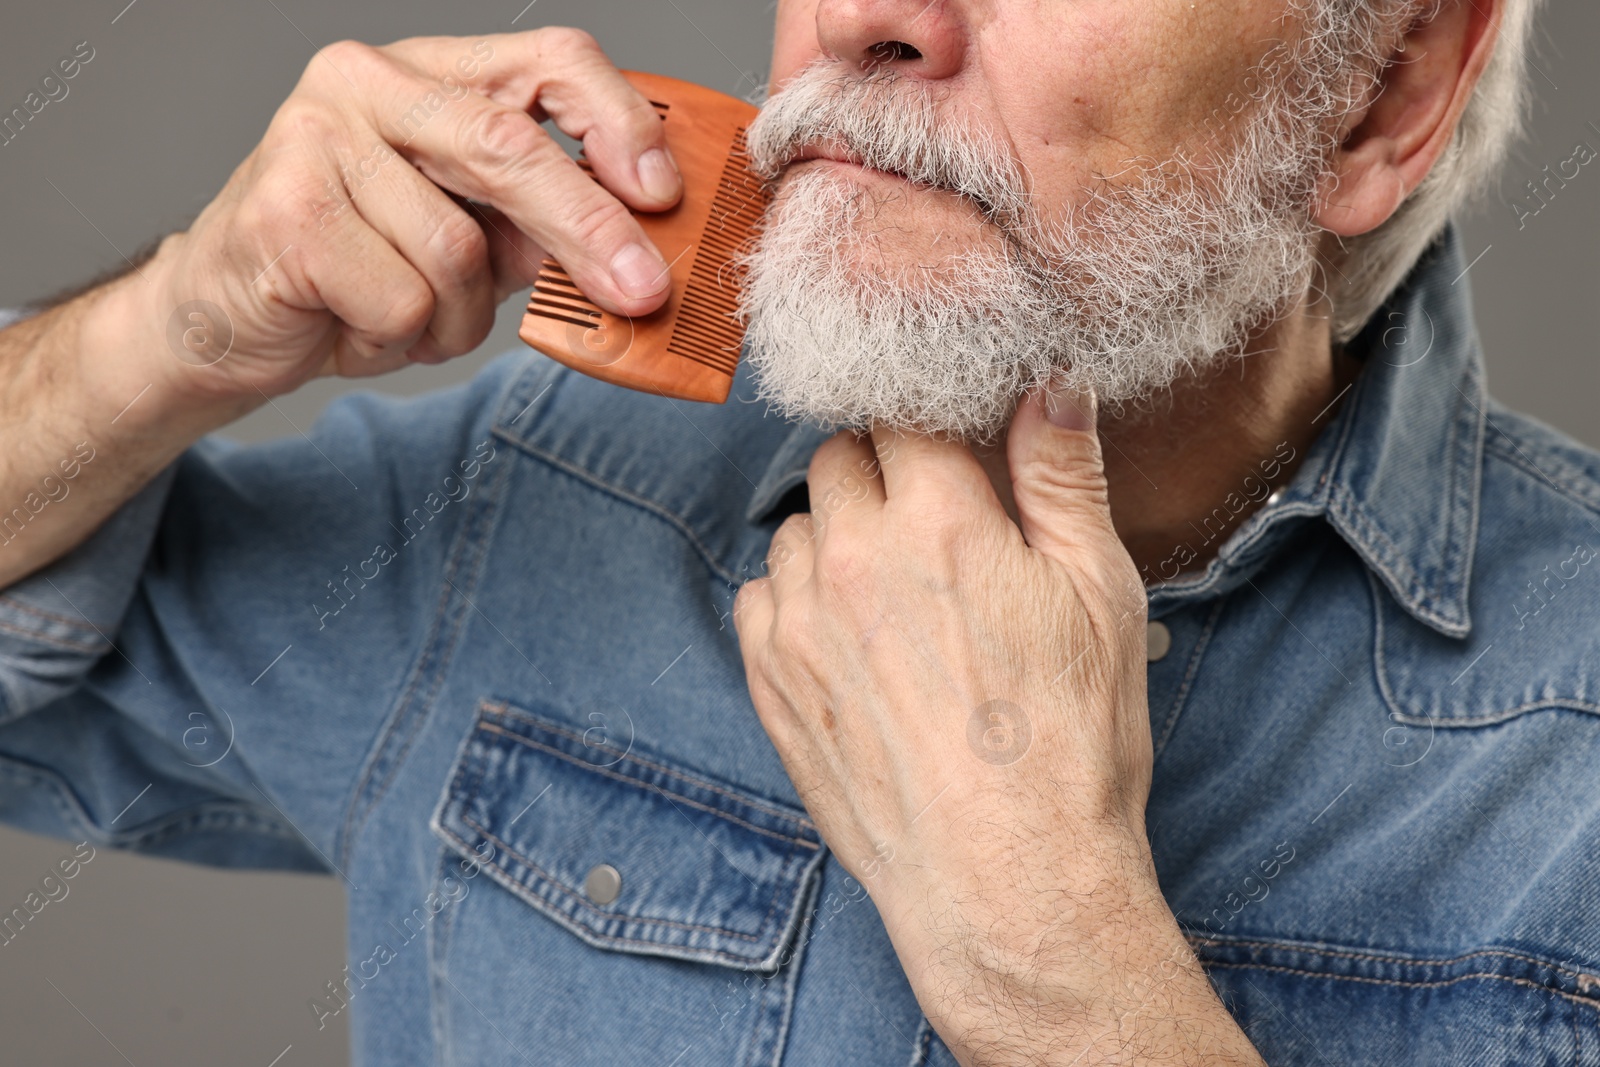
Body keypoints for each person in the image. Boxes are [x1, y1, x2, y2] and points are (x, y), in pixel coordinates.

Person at [0, 0, 1593, 1061]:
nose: (862, 17)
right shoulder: (546, 485)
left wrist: (1067, 970)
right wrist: (167, 333)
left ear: (1387, 88)